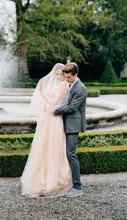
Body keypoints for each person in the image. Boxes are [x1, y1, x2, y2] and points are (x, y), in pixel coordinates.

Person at [21, 63, 72, 198]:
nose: (58, 76)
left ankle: (55, 180)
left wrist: (42, 92)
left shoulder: (63, 85)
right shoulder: (55, 84)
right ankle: (44, 176)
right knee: (44, 147)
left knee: (53, 147)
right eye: (56, 74)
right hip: (47, 119)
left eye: (61, 74)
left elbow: (54, 102)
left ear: (64, 75)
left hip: (55, 120)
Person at [53, 62, 87, 197]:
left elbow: (72, 107)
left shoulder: (81, 88)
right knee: (66, 154)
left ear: (75, 75)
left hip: (73, 125)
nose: (66, 80)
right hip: (66, 123)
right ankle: (67, 182)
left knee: (71, 154)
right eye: (65, 77)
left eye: (69, 78)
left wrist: (55, 110)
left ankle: (78, 187)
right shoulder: (71, 84)